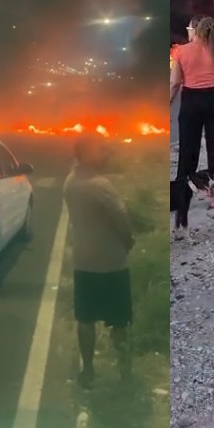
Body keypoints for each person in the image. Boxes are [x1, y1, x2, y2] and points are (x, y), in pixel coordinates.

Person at [65, 135, 136, 389]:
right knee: (119, 320)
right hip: (111, 263)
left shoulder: (70, 182)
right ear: (86, 154)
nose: (106, 154)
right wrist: (128, 240)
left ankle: (88, 371)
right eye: (101, 150)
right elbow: (121, 218)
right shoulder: (100, 185)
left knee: (85, 319)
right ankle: (125, 374)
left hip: (83, 262)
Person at [170, 15, 214, 209]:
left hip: (191, 100)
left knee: (188, 148)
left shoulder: (181, 51)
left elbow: (175, 83)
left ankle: (182, 197)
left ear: (194, 30)